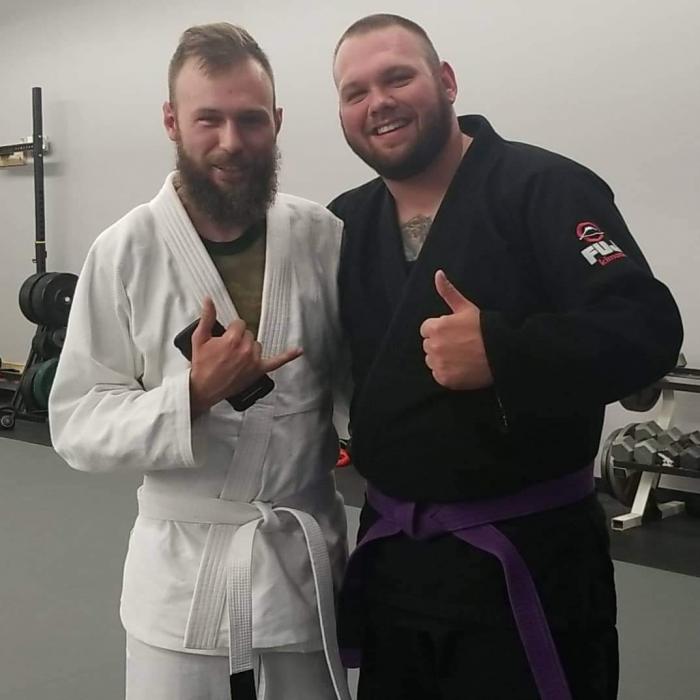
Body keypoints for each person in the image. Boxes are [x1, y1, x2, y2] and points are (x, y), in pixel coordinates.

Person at [329, 13, 683, 700]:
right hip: (396, 565)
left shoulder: (545, 187)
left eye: (398, 77)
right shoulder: (342, 222)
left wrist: (504, 351)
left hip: (529, 560)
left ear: (446, 80)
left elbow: (645, 329)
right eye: (355, 91)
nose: (378, 102)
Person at [49, 22, 351, 700]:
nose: (231, 141)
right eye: (208, 118)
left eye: (251, 119)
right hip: (181, 584)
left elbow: (366, 391)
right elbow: (76, 422)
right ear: (172, 122)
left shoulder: (322, 237)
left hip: (303, 574)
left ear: (276, 121)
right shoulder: (125, 250)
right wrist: (189, 395)